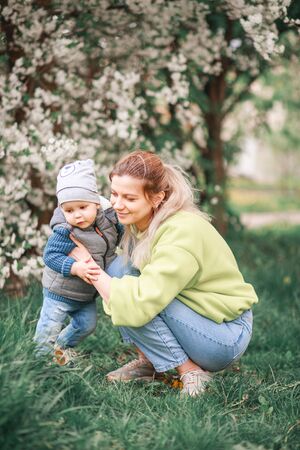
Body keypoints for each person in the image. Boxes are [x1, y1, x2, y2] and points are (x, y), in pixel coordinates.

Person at [69, 151, 259, 396]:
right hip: (196, 312)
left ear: (157, 198)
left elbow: (138, 302)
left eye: (129, 197)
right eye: (114, 193)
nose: (117, 204)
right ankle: (150, 362)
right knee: (118, 270)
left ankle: (191, 372)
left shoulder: (181, 232)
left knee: (127, 291)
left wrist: (90, 267)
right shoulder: (143, 218)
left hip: (224, 335)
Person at [34, 159, 120, 365]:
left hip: (85, 295)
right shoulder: (65, 230)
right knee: (49, 327)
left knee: (86, 325)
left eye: (83, 207)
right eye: (69, 210)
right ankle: (38, 361)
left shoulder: (107, 220)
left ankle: (60, 347)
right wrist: (74, 267)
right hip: (60, 292)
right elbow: (51, 256)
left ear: (96, 203)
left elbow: (121, 231)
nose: (77, 215)